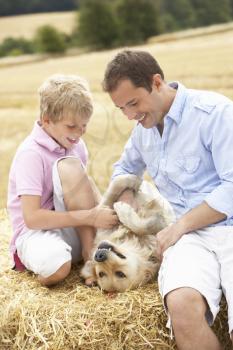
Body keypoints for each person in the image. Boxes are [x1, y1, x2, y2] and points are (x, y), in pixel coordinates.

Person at [102, 49, 233, 350]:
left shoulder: (215, 113)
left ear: (157, 82)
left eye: (133, 103)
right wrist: (126, 198)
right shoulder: (142, 133)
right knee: (182, 307)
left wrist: (179, 226)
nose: (130, 116)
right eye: (121, 108)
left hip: (227, 226)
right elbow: (123, 169)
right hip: (189, 239)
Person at [7, 74, 118, 287]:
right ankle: (34, 268)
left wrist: (102, 214)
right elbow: (32, 218)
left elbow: (81, 194)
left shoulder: (76, 145)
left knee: (120, 245)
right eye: (71, 126)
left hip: (72, 228)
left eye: (84, 126)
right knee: (59, 267)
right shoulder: (30, 154)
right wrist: (90, 216)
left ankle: (89, 254)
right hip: (35, 233)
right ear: (47, 120)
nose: (79, 133)